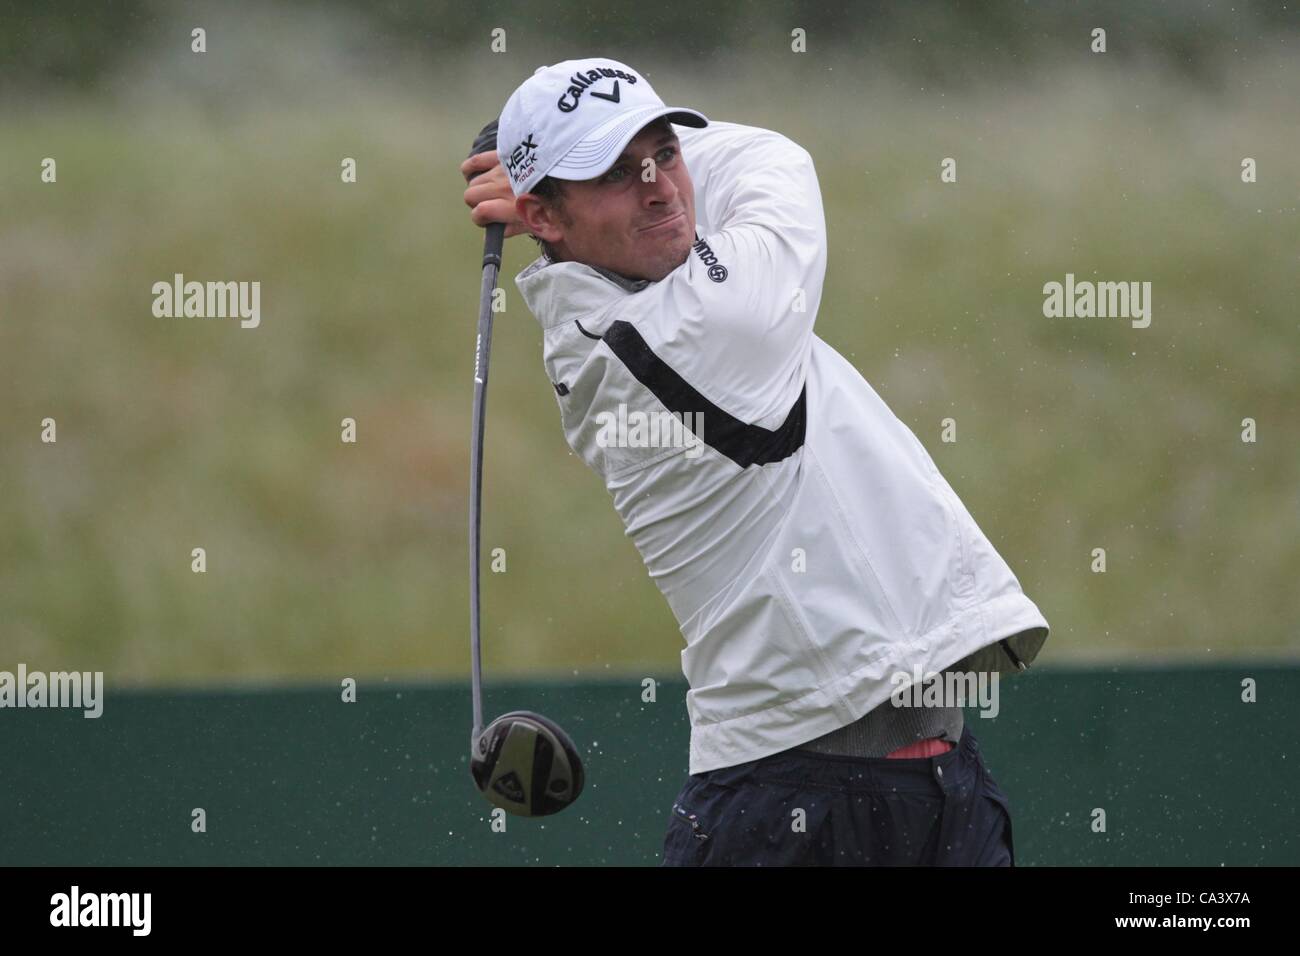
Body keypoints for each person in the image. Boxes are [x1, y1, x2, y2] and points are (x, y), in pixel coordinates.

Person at [460, 57, 1050, 865]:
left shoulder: (627, 302)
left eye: (665, 153)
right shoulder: (693, 326)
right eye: (615, 174)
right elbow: (779, 163)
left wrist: (561, 164)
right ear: (544, 219)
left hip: (930, 785)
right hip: (792, 803)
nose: (661, 186)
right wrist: (544, 165)